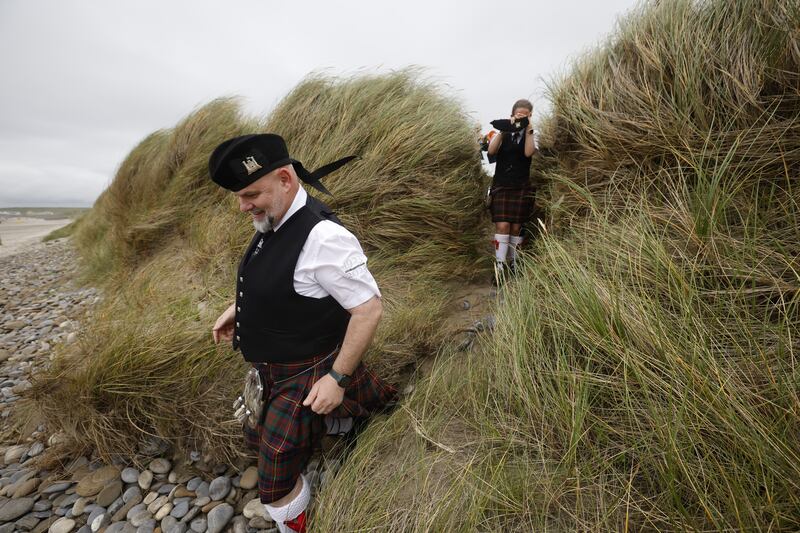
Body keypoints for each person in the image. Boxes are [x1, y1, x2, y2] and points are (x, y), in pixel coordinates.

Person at [208, 133, 396, 533]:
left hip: (310, 369)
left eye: (250, 194)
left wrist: (337, 379)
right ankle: (340, 425)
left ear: (285, 179)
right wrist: (238, 311)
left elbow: (368, 309)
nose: (243, 207)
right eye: (240, 196)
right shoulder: (274, 216)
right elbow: (276, 279)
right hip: (275, 370)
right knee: (256, 437)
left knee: (274, 484)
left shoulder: (324, 238)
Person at [486, 99, 538, 276]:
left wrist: (529, 127)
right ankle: (499, 268)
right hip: (501, 185)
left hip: (521, 186)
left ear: (530, 115)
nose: (521, 116)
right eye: (519, 114)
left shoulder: (531, 134)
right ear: (512, 114)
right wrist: (504, 130)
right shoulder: (503, 133)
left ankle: (514, 264)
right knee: (502, 226)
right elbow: (491, 151)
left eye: (526, 114)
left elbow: (528, 152)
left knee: (515, 228)